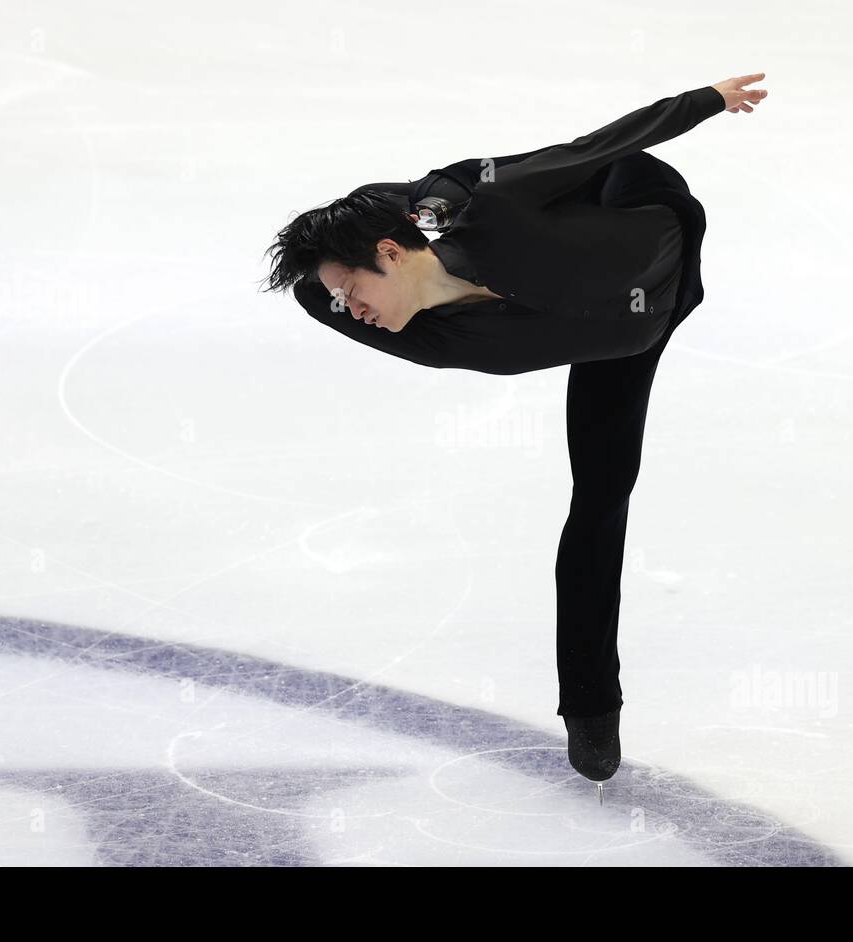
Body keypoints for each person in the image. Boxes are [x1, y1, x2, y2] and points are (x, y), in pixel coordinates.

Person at [261, 75, 769, 781]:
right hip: (612, 337)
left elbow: (597, 148)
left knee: (604, 489)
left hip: (636, 220)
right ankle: (592, 707)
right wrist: (356, 253)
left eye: (356, 291)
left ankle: (424, 202)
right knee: (599, 497)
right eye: (343, 302)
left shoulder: (490, 211)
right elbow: (314, 295)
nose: (351, 311)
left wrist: (709, 99)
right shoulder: (421, 332)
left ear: (390, 251)